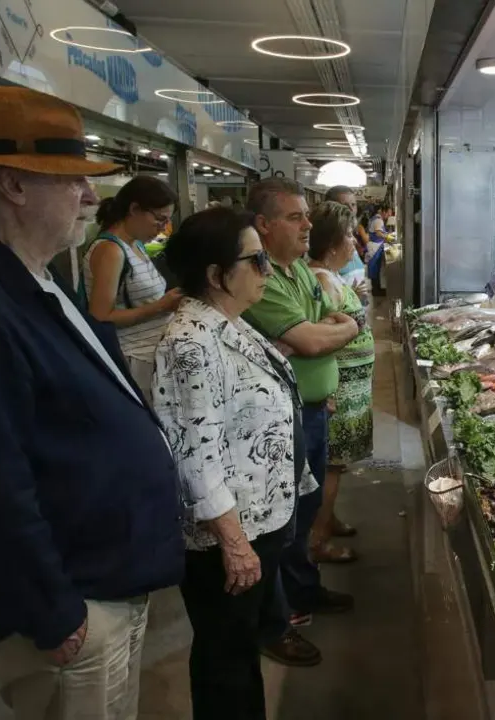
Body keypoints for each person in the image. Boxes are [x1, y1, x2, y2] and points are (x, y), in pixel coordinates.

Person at [0, 86, 184, 719]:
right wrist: (53, 613)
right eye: (73, 180)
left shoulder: (31, 277)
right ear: (12, 185)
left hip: (108, 579)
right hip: (74, 608)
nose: (91, 197)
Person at [152, 207, 319, 719]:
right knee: (225, 658)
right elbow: (195, 455)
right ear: (215, 274)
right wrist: (234, 543)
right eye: (256, 260)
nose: (267, 271)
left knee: (241, 648)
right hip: (229, 537)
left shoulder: (228, 323)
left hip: (259, 518)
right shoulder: (190, 342)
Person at [242, 178, 359, 659]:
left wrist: (330, 332)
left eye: (307, 215)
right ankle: (278, 621)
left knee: (306, 510)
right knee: (279, 522)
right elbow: (312, 340)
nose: (308, 224)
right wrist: (329, 332)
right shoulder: (263, 278)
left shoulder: (297, 271)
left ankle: (303, 591)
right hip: (277, 418)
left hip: (311, 408)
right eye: (295, 217)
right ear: (263, 225)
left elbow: (334, 319)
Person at [302, 202, 376, 559]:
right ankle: (317, 540)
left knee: (336, 464)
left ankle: (328, 520)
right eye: (348, 235)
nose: (354, 242)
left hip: (349, 386)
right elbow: (318, 334)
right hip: (340, 389)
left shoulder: (329, 275)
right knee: (331, 465)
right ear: (332, 244)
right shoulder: (320, 279)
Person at [84, 175, 183, 396]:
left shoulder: (136, 244)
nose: (162, 228)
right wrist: (161, 306)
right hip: (134, 358)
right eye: (159, 219)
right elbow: (100, 316)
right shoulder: (110, 250)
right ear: (135, 209)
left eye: (167, 222)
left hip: (152, 355)